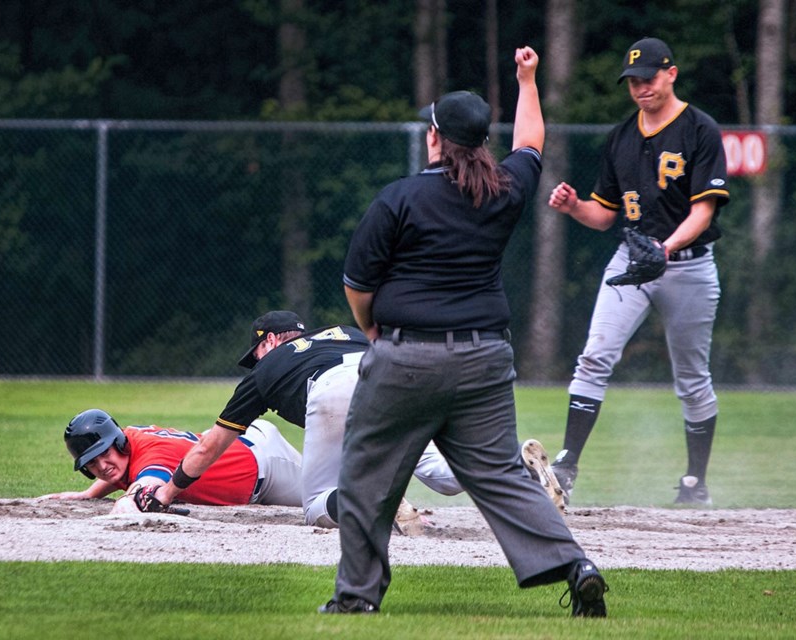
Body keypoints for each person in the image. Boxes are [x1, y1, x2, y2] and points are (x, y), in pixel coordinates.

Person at [320, 46, 608, 617]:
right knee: (500, 476)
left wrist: (371, 330)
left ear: (434, 138)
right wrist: (527, 80)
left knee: (364, 478)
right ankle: (575, 565)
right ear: (479, 143)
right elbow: (531, 144)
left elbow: (358, 284)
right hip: (484, 358)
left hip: (407, 358)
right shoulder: (503, 189)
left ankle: (356, 601)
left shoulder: (399, 198)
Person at [547, 37, 730, 507]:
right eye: (632, 81)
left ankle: (695, 482)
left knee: (691, 377)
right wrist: (574, 208)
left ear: (671, 73)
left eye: (648, 78)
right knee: (595, 356)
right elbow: (605, 215)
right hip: (631, 263)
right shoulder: (622, 136)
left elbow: (703, 212)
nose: (640, 88)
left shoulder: (700, 130)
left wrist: (664, 248)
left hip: (687, 268)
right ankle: (565, 467)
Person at [146, 310, 466, 532]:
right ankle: (507, 460)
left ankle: (368, 498)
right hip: (393, 376)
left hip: (333, 388)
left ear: (269, 341)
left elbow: (210, 446)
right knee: (445, 478)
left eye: (255, 352)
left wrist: (168, 492)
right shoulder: (345, 332)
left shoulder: (267, 368)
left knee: (315, 507)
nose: (254, 361)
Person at [38, 409, 304, 514]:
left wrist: (127, 502)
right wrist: (88, 494)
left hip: (267, 463)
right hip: (236, 445)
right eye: (92, 463)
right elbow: (122, 472)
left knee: (329, 498)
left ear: (118, 441)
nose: (102, 466)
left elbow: (145, 487)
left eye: (105, 453)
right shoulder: (127, 442)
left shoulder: (152, 454)